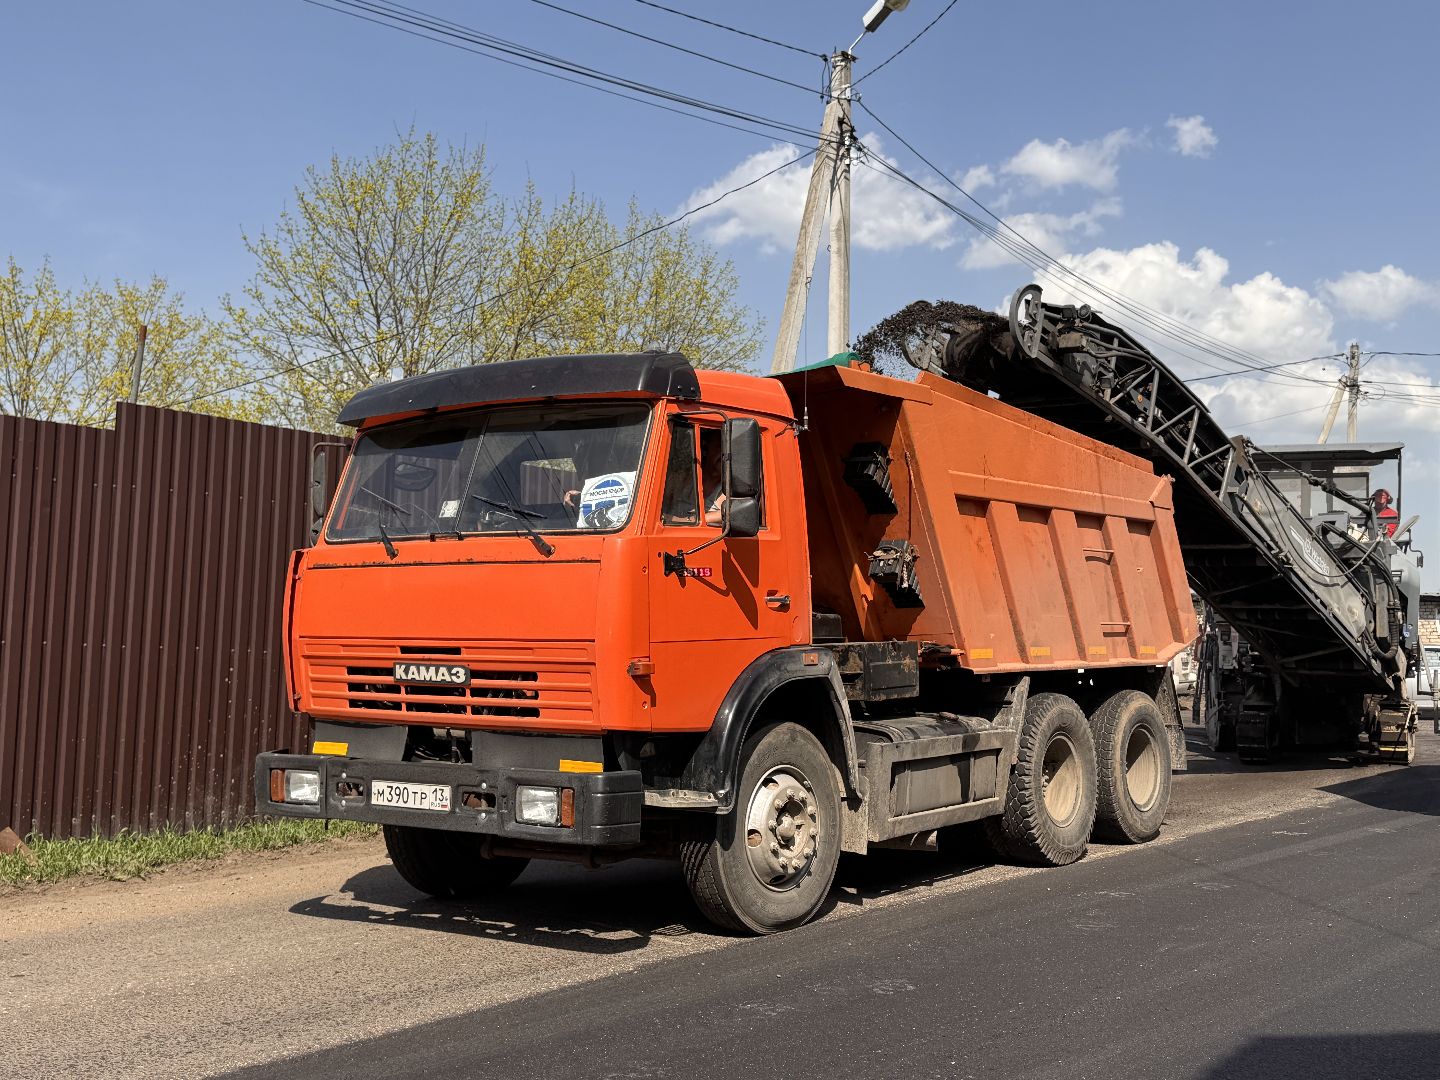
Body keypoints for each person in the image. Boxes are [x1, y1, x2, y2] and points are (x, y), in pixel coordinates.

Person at [700, 430, 726, 526]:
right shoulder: (684, 480)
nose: (725, 454)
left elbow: (732, 512)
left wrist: (694, 520)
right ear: (705, 449)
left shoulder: (733, 486)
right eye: (721, 446)